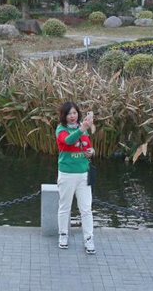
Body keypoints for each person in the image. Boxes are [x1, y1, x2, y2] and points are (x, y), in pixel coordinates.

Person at [55, 101, 96, 254]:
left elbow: (88, 146)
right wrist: (82, 128)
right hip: (67, 173)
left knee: (86, 208)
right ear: (64, 116)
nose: (72, 116)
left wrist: (91, 152)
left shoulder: (83, 130)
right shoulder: (61, 129)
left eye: (74, 113)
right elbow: (68, 141)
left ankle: (88, 238)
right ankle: (63, 234)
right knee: (65, 207)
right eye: (69, 114)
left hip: (83, 173)